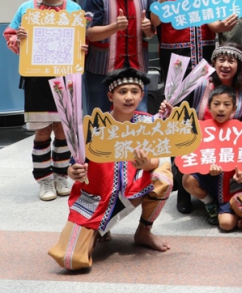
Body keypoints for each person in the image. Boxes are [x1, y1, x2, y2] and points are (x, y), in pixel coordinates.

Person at [48, 68, 173, 271]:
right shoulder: (93, 126)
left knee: (163, 178)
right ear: (110, 96)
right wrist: (74, 173)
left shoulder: (149, 123)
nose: (129, 97)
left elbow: (156, 160)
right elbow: (73, 166)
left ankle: (144, 231)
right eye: (122, 92)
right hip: (96, 199)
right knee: (71, 259)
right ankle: (100, 228)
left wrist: (146, 164)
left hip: (131, 192)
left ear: (142, 95)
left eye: (134, 91)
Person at [4, 0, 85, 201]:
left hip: (65, 77)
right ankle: (44, 179)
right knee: (41, 132)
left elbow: (81, 40)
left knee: (63, 130)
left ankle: (61, 175)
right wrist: (18, 38)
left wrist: (82, 49)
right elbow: (10, 34)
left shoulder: (74, 9)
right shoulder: (26, 8)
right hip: (37, 78)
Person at [84, 0, 154, 113]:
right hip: (102, 69)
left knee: (138, 115)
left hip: (136, 68)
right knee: (100, 117)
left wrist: (148, 30)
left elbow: (150, 35)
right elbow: (90, 33)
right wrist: (114, 27)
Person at [181, 85, 242, 229]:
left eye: (226, 104)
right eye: (216, 104)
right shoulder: (200, 130)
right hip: (209, 179)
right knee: (187, 179)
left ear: (234, 109)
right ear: (209, 108)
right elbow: (195, 157)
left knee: (226, 225)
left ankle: (235, 213)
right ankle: (209, 203)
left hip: (232, 185)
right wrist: (206, 168)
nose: (221, 108)